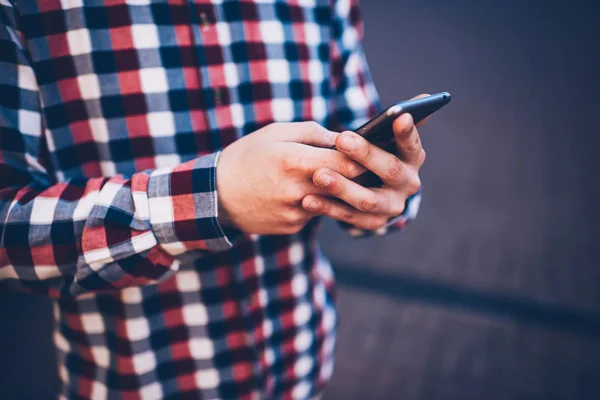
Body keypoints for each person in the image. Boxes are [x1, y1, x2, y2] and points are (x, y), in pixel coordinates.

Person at [0, 0, 426, 398]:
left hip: (303, 368)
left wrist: (384, 191)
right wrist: (213, 198)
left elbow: (358, 133)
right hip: (139, 381)